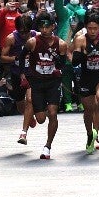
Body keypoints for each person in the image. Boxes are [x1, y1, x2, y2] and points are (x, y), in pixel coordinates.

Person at [25, 12, 68, 159]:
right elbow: (23, 57)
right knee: (41, 119)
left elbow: (63, 63)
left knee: (53, 113)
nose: (44, 30)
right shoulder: (32, 42)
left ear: (53, 27)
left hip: (52, 82)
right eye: (41, 27)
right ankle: (33, 116)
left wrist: (58, 69)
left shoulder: (61, 44)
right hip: (37, 82)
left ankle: (47, 146)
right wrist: (25, 75)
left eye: (47, 27)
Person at [71, 9, 99, 154]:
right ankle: (90, 135)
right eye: (90, 28)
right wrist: (82, 56)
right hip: (86, 76)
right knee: (89, 110)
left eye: (95, 28)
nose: (93, 31)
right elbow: (73, 57)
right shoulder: (80, 39)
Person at [0, 15, 37, 146]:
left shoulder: (35, 36)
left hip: (32, 74)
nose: (24, 34)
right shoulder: (11, 38)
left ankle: (23, 133)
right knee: (20, 104)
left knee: (30, 100)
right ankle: (29, 118)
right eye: (21, 32)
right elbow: (2, 57)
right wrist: (16, 58)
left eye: (26, 31)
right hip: (17, 74)